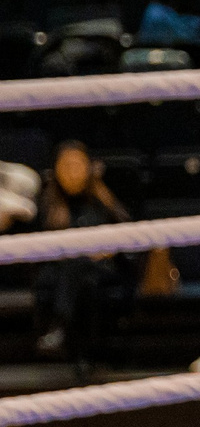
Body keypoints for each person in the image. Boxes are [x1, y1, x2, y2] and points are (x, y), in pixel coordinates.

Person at [30, 141, 131, 371]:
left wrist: (106, 249)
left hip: (102, 267)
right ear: (56, 170)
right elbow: (38, 246)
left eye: (77, 165)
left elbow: (126, 236)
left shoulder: (103, 199)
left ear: (88, 168)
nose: (72, 172)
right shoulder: (47, 202)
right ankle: (84, 357)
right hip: (64, 270)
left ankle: (59, 327)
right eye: (66, 166)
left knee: (83, 272)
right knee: (83, 280)